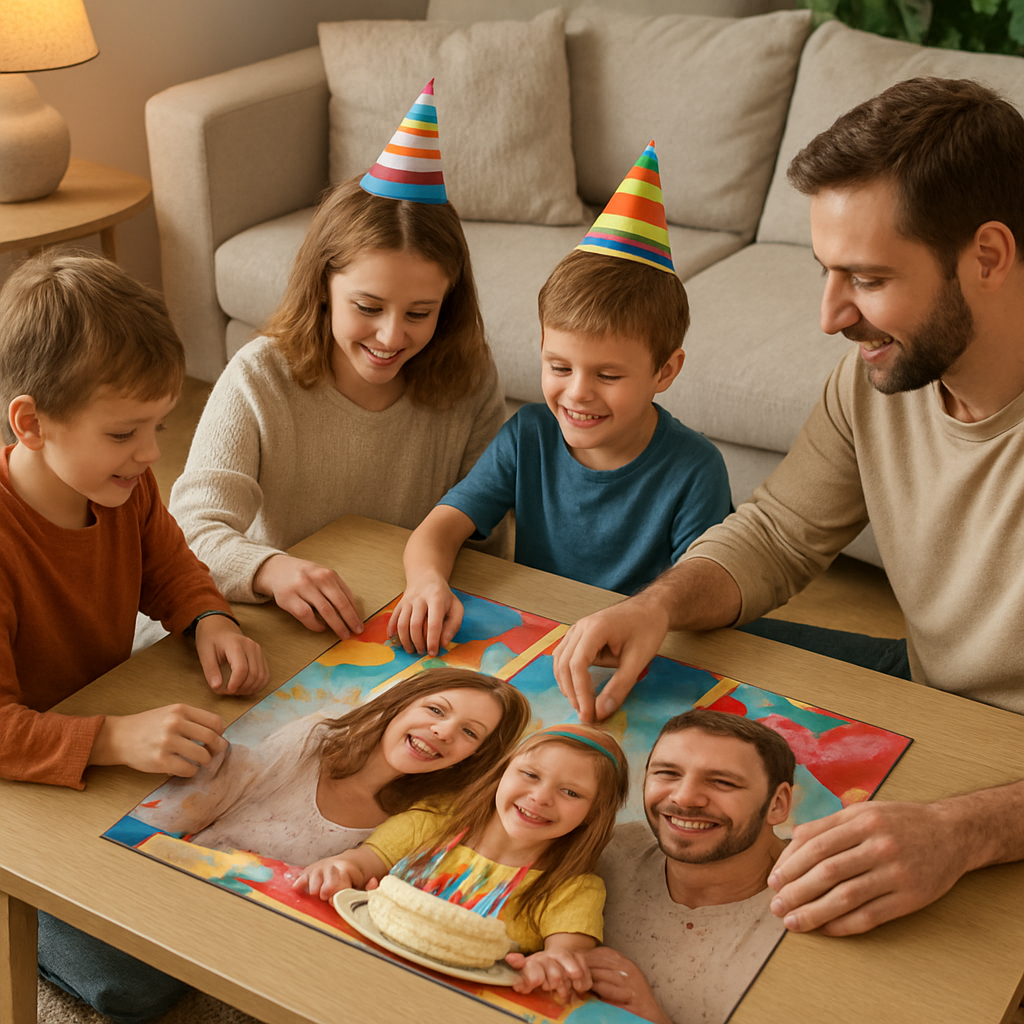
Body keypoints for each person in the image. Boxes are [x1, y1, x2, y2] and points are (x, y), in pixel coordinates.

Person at [552, 77, 1024, 936]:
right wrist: (658, 602)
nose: (831, 314)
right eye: (827, 272)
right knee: (680, 658)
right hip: (930, 683)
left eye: (870, 278)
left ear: (988, 255)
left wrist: (965, 830)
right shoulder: (880, 371)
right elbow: (776, 535)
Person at [0, 250, 270, 1024]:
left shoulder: (122, 482)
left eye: (159, 425)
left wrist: (206, 615)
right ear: (31, 422)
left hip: (84, 746)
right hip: (19, 778)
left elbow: (170, 567)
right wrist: (113, 739)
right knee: (138, 981)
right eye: (127, 432)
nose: (153, 454)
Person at [169, 81, 506, 642]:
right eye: (368, 307)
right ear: (323, 286)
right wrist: (269, 568)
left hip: (410, 622)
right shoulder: (259, 377)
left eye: (420, 312)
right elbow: (190, 530)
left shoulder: (470, 378)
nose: (391, 335)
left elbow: (487, 536)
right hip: (281, 619)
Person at [389, 143, 730, 656]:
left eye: (609, 374)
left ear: (666, 370)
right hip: (540, 638)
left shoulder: (695, 469)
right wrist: (426, 582)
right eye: (559, 367)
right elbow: (438, 527)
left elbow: (703, 597)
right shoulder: (528, 435)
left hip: (645, 653)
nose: (577, 393)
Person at [295, 723, 630, 999]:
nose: (540, 797)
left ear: (593, 815)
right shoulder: (434, 820)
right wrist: (340, 869)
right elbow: (363, 861)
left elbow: (568, 955)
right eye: (530, 774)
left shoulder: (574, 888)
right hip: (356, 965)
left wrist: (554, 965)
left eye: (570, 793)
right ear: (502, 773)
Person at [135, 667, 530, 864]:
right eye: (435, 709)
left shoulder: (422, 818)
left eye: (469, 733)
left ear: (474, 756)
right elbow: (175, 815)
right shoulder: (314, 739)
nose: (443, 731)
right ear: (400, 705)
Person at [576, 710, 793, 1024]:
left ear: (778, 804)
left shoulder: (828, 909)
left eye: (722, 781)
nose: (685, 797)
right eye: (667, 773)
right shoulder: (597, 852)